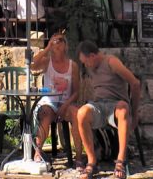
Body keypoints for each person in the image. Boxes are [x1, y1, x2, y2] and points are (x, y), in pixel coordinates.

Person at [76, 39, 141, 179]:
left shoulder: (111, 62)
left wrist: (134, 114)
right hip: (99, 105)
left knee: (123, 109)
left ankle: (120, 161)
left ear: (92, 56)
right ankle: (92, 161)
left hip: (116, 104)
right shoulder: (90, 67)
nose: (85, 65)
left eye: (86, 61)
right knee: (81, 113)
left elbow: (135, 83)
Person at [31, 31, 83, 165]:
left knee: (77, 114)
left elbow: (76, 92)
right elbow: (32, 66)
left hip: (66, 103)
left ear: (65, 45)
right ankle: (37, 152)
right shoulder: (47, 62)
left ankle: (78, 157)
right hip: (49, 101)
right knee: (45, 113)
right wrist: (47, 48)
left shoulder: (73, 66)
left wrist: (65, 106)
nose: (57, 43)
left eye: (60, 40)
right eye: (55, 40)